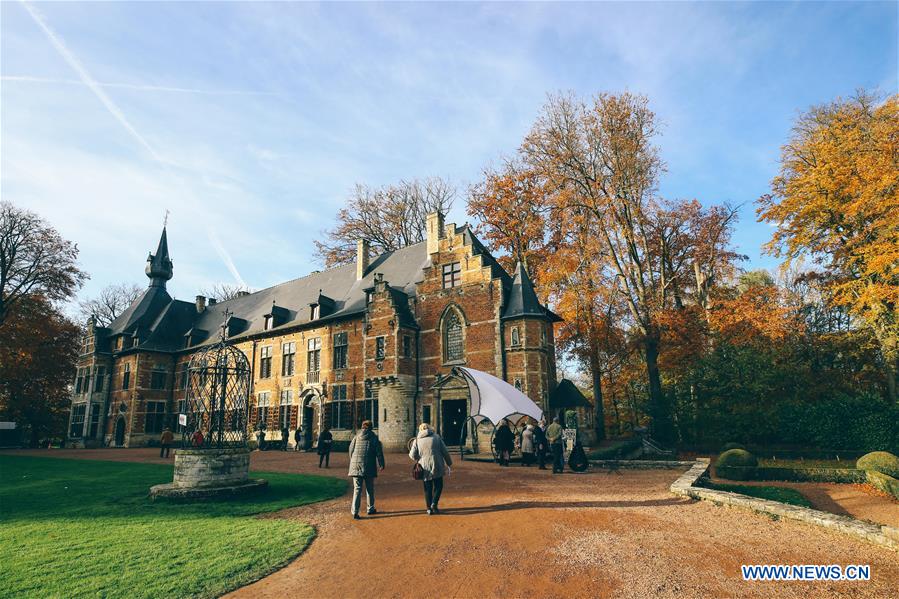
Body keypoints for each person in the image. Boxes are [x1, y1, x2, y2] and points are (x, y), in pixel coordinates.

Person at [409, 423, 453, 515]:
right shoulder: (436, 437)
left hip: (424, 467)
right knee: (439, 486)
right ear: (429, 428)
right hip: (437, 464)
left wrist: (419, 458)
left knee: (427, 488)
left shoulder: (417, 440)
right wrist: (449, 463)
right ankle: (434, 503)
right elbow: (445, 451)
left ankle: (429, 508)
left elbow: (412, 455)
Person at [347, 420, 384, 519]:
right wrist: (381, 464)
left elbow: (351, 450)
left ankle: (355, 512)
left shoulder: (356, 437)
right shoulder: (374, 438)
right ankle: (370, 508)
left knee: (357, 489)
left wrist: (353, 461)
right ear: (371, 428)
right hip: (369, 466)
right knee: (369, 489)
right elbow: (379, 453)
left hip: (356, 466)